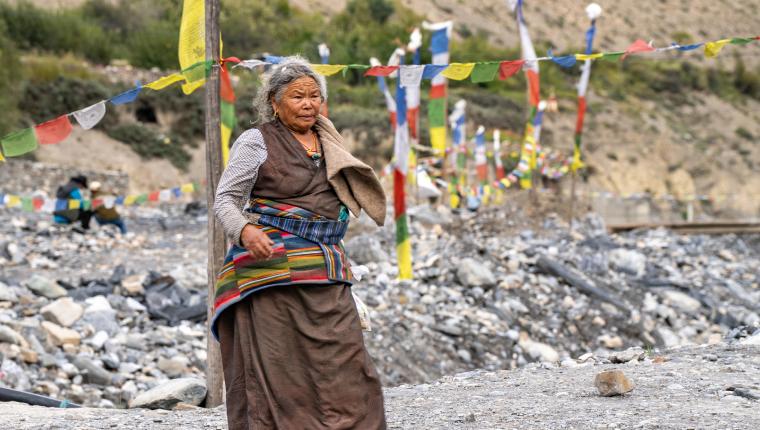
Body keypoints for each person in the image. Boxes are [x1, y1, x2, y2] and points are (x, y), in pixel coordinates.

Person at [214, 56, 387, 429]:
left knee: (351, 368)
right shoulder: (257, 141)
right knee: (282, 372)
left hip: (326, 265)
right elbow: (225, 200)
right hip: (272, 269)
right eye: (298, 96)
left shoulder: (328, 139)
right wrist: (245, 231)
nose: (309, 104)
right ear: (274, 102)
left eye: (314, 96)